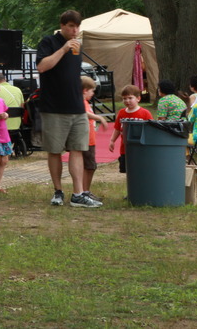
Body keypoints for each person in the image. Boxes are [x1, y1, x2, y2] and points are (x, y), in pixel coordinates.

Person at [37, 11, 101, 208]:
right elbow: (42, 67)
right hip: (54, 107)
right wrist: (64, 49)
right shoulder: (49, 42)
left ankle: (78, 193)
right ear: (62, 25)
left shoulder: (77, 46)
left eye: (77, 27)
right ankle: (58, 191)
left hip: (76, 107)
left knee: (78, 149)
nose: (75, 31)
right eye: (71, 26)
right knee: (55, 151)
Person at [108, 84, 154, 173]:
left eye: (130, 98)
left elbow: (151, 129)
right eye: (124, 98)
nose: (127, 101)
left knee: (140, 170)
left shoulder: (145, 113)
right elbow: (117, 128)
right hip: (125, 149)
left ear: (138, 98)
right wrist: (112, 140)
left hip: (140, 148)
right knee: (127, 170)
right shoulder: (121, 113)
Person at [80, 76, 109, 200]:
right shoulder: (81, 102)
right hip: (86, 140)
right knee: (90, 166)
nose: (93, 94)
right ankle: (84, 191)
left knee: (88, 166)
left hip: (89, 139)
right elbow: (83, 113)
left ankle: (84, 190)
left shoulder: (85, 102)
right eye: (92, 91)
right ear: (85, 90)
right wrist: (100, 118)